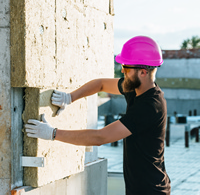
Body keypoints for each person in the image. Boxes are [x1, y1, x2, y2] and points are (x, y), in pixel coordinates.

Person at [25, 36, 171, 195]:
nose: (122, 70)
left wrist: (52, 133)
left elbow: (101, 137)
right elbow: (101, 84)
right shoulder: (136, 88)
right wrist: (69, 98)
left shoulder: (151, 106)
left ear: (143, 72)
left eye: (126, 67)